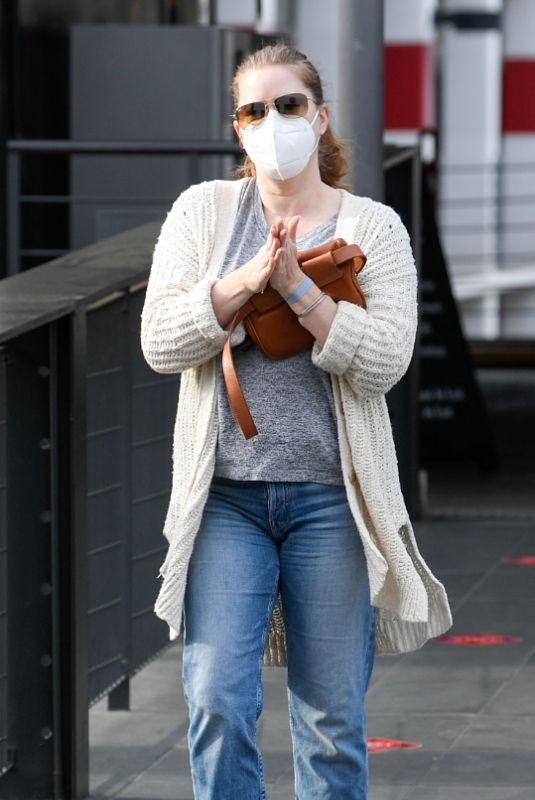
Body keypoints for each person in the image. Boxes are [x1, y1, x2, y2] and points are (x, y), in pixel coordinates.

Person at [141, 42, 452, 800]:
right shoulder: (204, 211)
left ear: (319, 118)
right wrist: (244, 285)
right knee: (215, 698)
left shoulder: (372, 227)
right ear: (236, 128)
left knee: (332, 719)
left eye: (287, 105)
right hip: (224, 499)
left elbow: (384, 362)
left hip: (331, 501)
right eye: (254, 110)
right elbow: (158, 341)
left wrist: (301, 296)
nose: (271, 121)